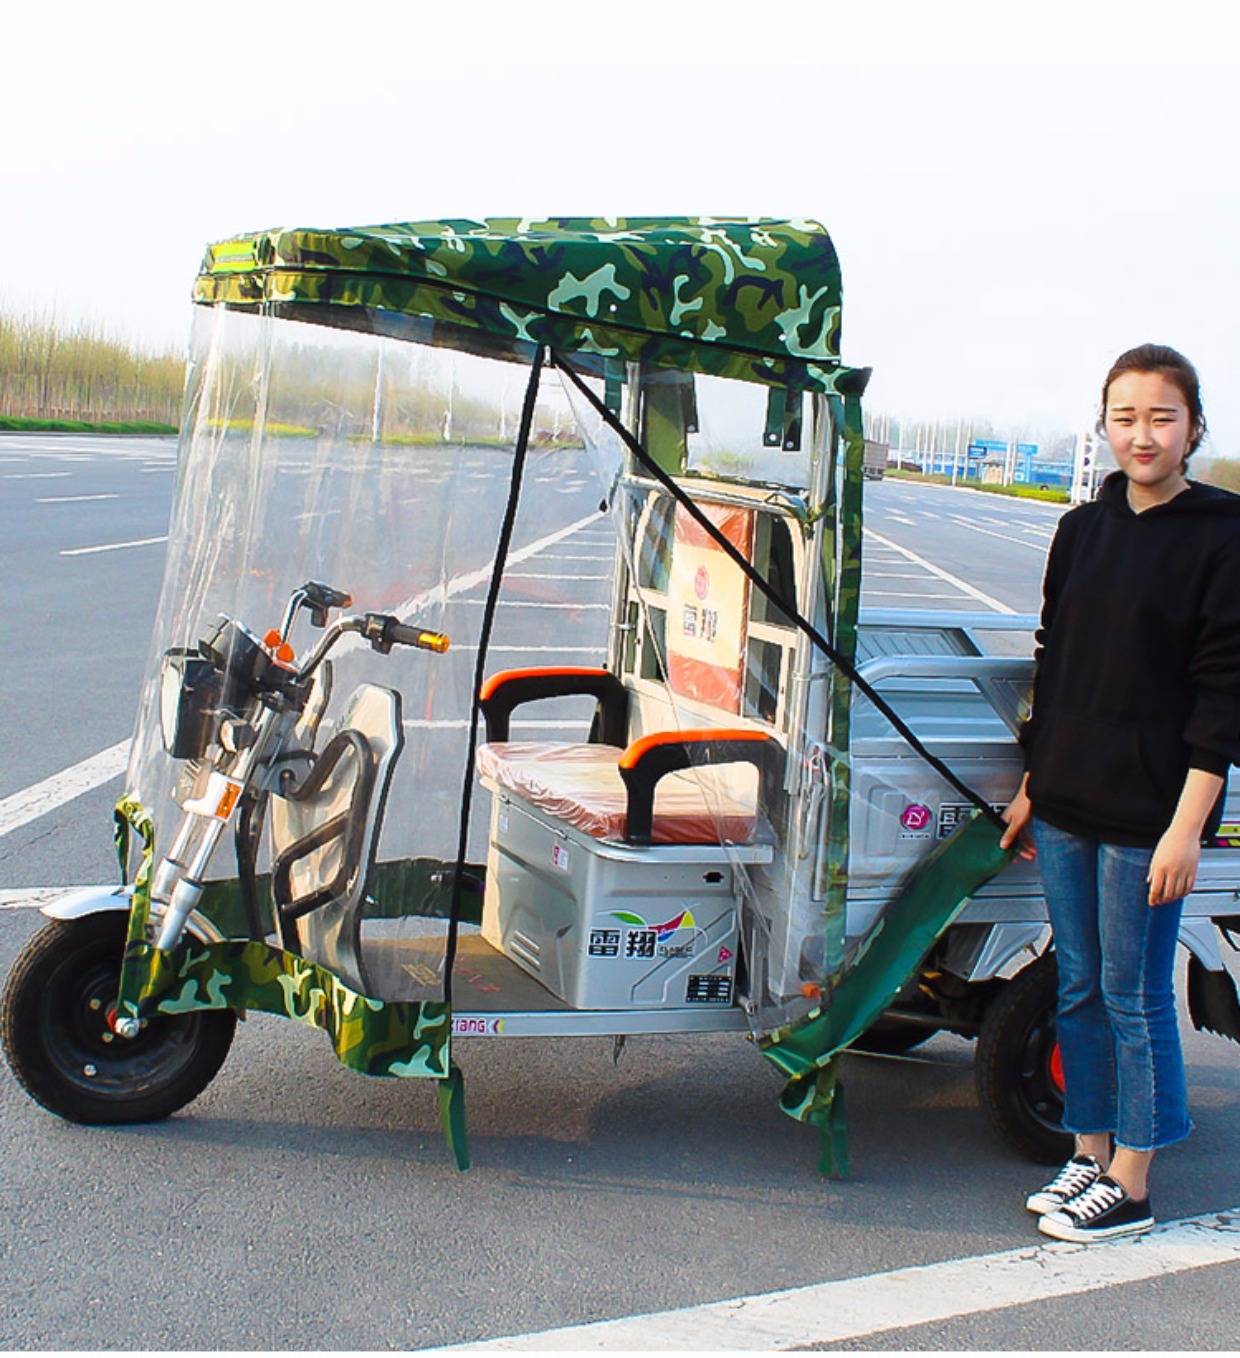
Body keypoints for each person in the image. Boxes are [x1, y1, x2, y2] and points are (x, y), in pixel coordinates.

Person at [1001, 343, 1240, 1243]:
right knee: (1079, 985)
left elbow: (1224, 695)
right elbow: (1056, 659)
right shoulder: (1081, 530)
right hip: (1067, 800)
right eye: (1126, 417)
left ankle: (1133, 1182)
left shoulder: (1222, 535)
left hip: (1152, 815)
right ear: (1105, 425)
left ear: (1194, 428)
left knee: (1134, 995)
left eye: (1162, 417)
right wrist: (1034, 780)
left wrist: (1188, 828)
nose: (1143, 435)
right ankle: (1089, 1150)